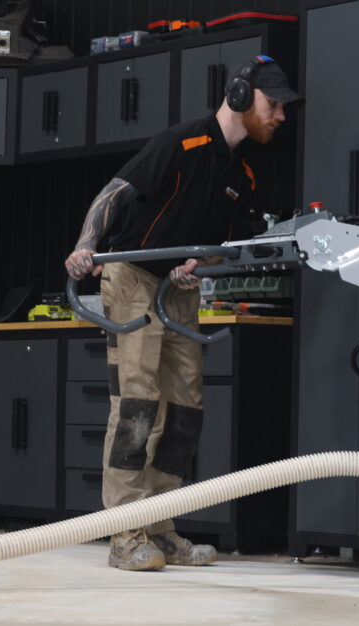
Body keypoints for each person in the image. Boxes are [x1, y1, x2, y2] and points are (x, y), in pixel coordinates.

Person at [64, 55, 301, 570]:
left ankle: (160, 524)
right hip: (131, 275)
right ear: (240, 96)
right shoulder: (181, 142)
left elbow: (221, 247)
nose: (281, 115)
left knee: (185, 410)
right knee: (137, 404)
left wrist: (201, 263)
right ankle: (125, 532)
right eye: (274, 104)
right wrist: (86, 245)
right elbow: (115, 193)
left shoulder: (243, 175)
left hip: (177, 290)